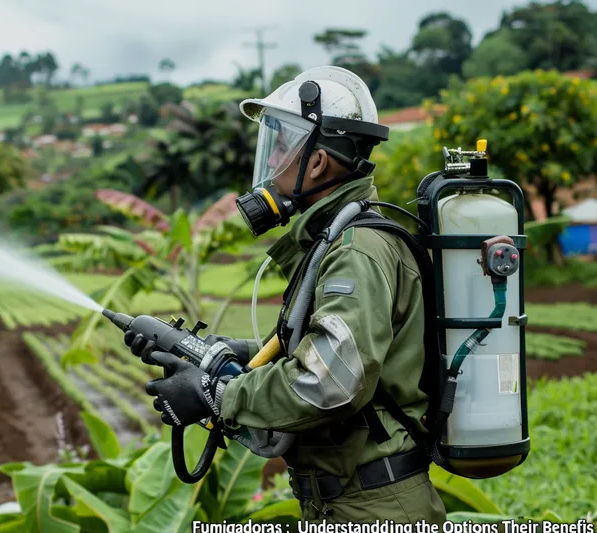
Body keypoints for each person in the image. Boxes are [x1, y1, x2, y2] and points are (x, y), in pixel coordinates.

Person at [125, 66, 447, 525]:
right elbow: (319, 353)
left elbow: (329, 382)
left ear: (317, 162)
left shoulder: (357, 251)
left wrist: (218, 393)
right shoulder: (333, 241)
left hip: (374, 508)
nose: (270, 163)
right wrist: (218, 354)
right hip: (345, 503)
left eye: (280, 144)